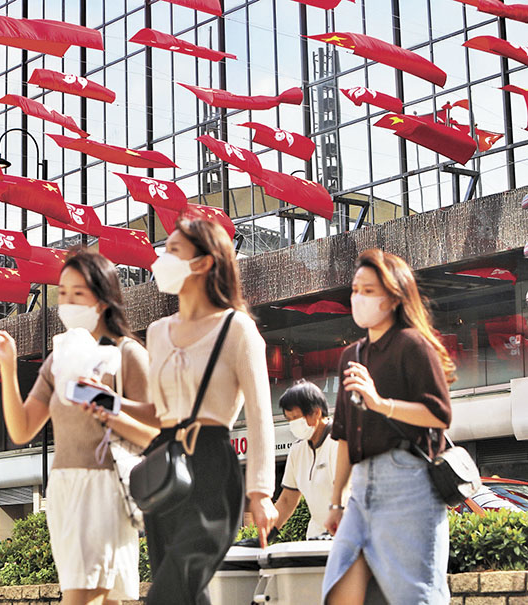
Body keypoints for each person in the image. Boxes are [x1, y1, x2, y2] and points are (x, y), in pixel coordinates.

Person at [89, 217, 277, 605]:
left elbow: (260, 415)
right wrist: (110, 401)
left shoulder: (237, 329)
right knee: (185, 592)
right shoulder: (158, 331)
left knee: (173, 585)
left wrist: (260, 492)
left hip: (212, 466)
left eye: (173, 250)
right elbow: (159, 412)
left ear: (204, 263)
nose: (162, 258)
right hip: (164, 466)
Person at [0, 249, 149, 605]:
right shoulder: (60, 360)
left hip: (105, 487)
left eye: (79, 293)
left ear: (104, 300)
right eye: (63, 293)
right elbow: (22, 429)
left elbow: (158, 433)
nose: (68, 302)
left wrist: (107, 406)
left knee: (82, 598)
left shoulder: (127, 354)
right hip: (63, 489)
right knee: (103, 600)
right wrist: (8, 367)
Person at [322, 249, 456, 605]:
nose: (358, 298)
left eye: (369, 291)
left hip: (407, 482)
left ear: (394, 298)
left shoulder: (413, 344)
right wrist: (335, 500)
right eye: (354, 289)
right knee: (340, 592)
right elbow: (345, 435)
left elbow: (439, 414)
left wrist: (380, 404)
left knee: (414, 596)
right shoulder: (350, 356)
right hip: (362, 487)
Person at [275, 380, 345, 540]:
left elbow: (346, 494)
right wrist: (264, 536)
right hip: (316, 539)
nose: (293, 424)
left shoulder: (339, 442)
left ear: (316, 412)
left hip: (345, 535)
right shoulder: (297, 451)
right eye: (289, 419)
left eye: (296, 417)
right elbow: (287, 500)